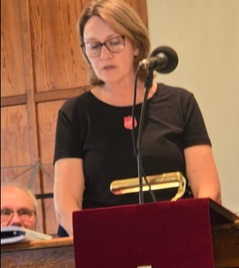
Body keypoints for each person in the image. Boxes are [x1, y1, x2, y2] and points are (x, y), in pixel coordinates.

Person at [53, 0, 221, 236]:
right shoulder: (74, 114)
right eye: (93, 46)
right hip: (105, 247)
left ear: (136, 46)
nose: (104, 55)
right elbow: (66, 204)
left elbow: (208, 188)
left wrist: (188, 234)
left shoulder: (181, 103)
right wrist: (97, 247)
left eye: (114, 42)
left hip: (177, 238)